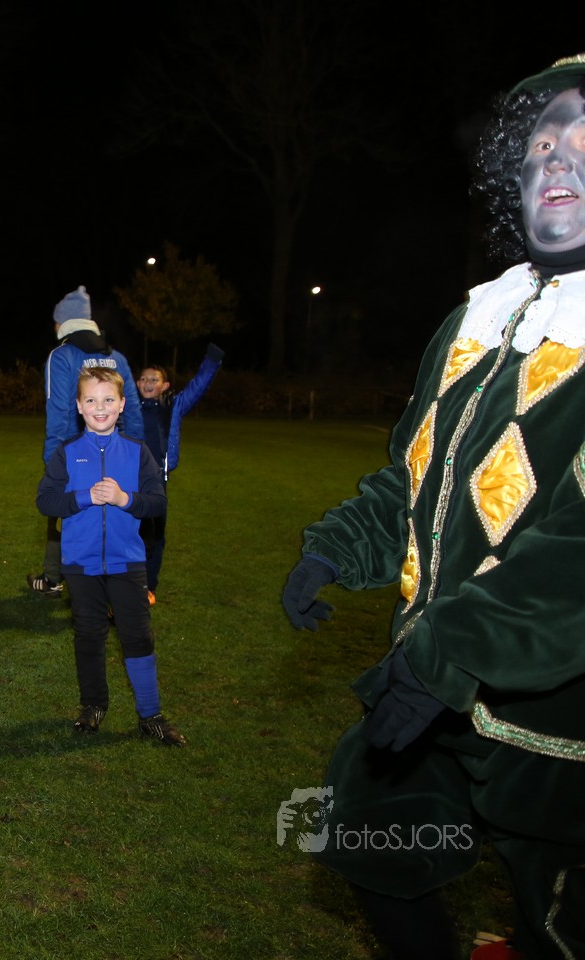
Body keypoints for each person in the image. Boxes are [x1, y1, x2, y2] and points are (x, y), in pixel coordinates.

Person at [282, 54, 585, 960]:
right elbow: (413, 476)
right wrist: (337, 546)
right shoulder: (476, 321)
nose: (559, 158)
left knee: (559, 922)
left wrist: (455, 646)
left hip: (559, 720)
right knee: (371, 832)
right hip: (435, 687)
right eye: (540, 143)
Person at [36, 367, 184, 745]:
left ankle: (150, 715)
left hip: (127, 562)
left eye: (107, 400)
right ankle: (93, 705)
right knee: (89, 635)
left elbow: (158, 503)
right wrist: (84, 497)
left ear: (121, 405)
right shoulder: (67, 453)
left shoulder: (137, 452)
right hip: (81, 564)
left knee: (137, 637)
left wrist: (124, 499)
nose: (99, 408)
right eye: (91, 400)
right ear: (79, 406)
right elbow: (45, 501)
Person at [28, 285, 142, 597]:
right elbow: (133, 410)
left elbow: (59, 413)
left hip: (76, 454)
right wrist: (137, 458)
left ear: (62, 323)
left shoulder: (62, 356)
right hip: (117, 452)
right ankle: (115, 593)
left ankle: (59, 581)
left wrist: (53, 463)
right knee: (115, 518)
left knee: (71, 516)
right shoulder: (117, 357)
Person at [135, 345, 223, 602]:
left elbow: (197, 387)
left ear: (165, 385)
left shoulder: (173, 406)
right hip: (129, 480)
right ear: (137, 383)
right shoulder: (127, 408)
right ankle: (125, 586)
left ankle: (148, 586)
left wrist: (212, 361)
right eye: (143, 379)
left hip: (156, 481)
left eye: (154, 379)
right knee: (129, 535)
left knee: (154, 537)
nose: (148, 383)